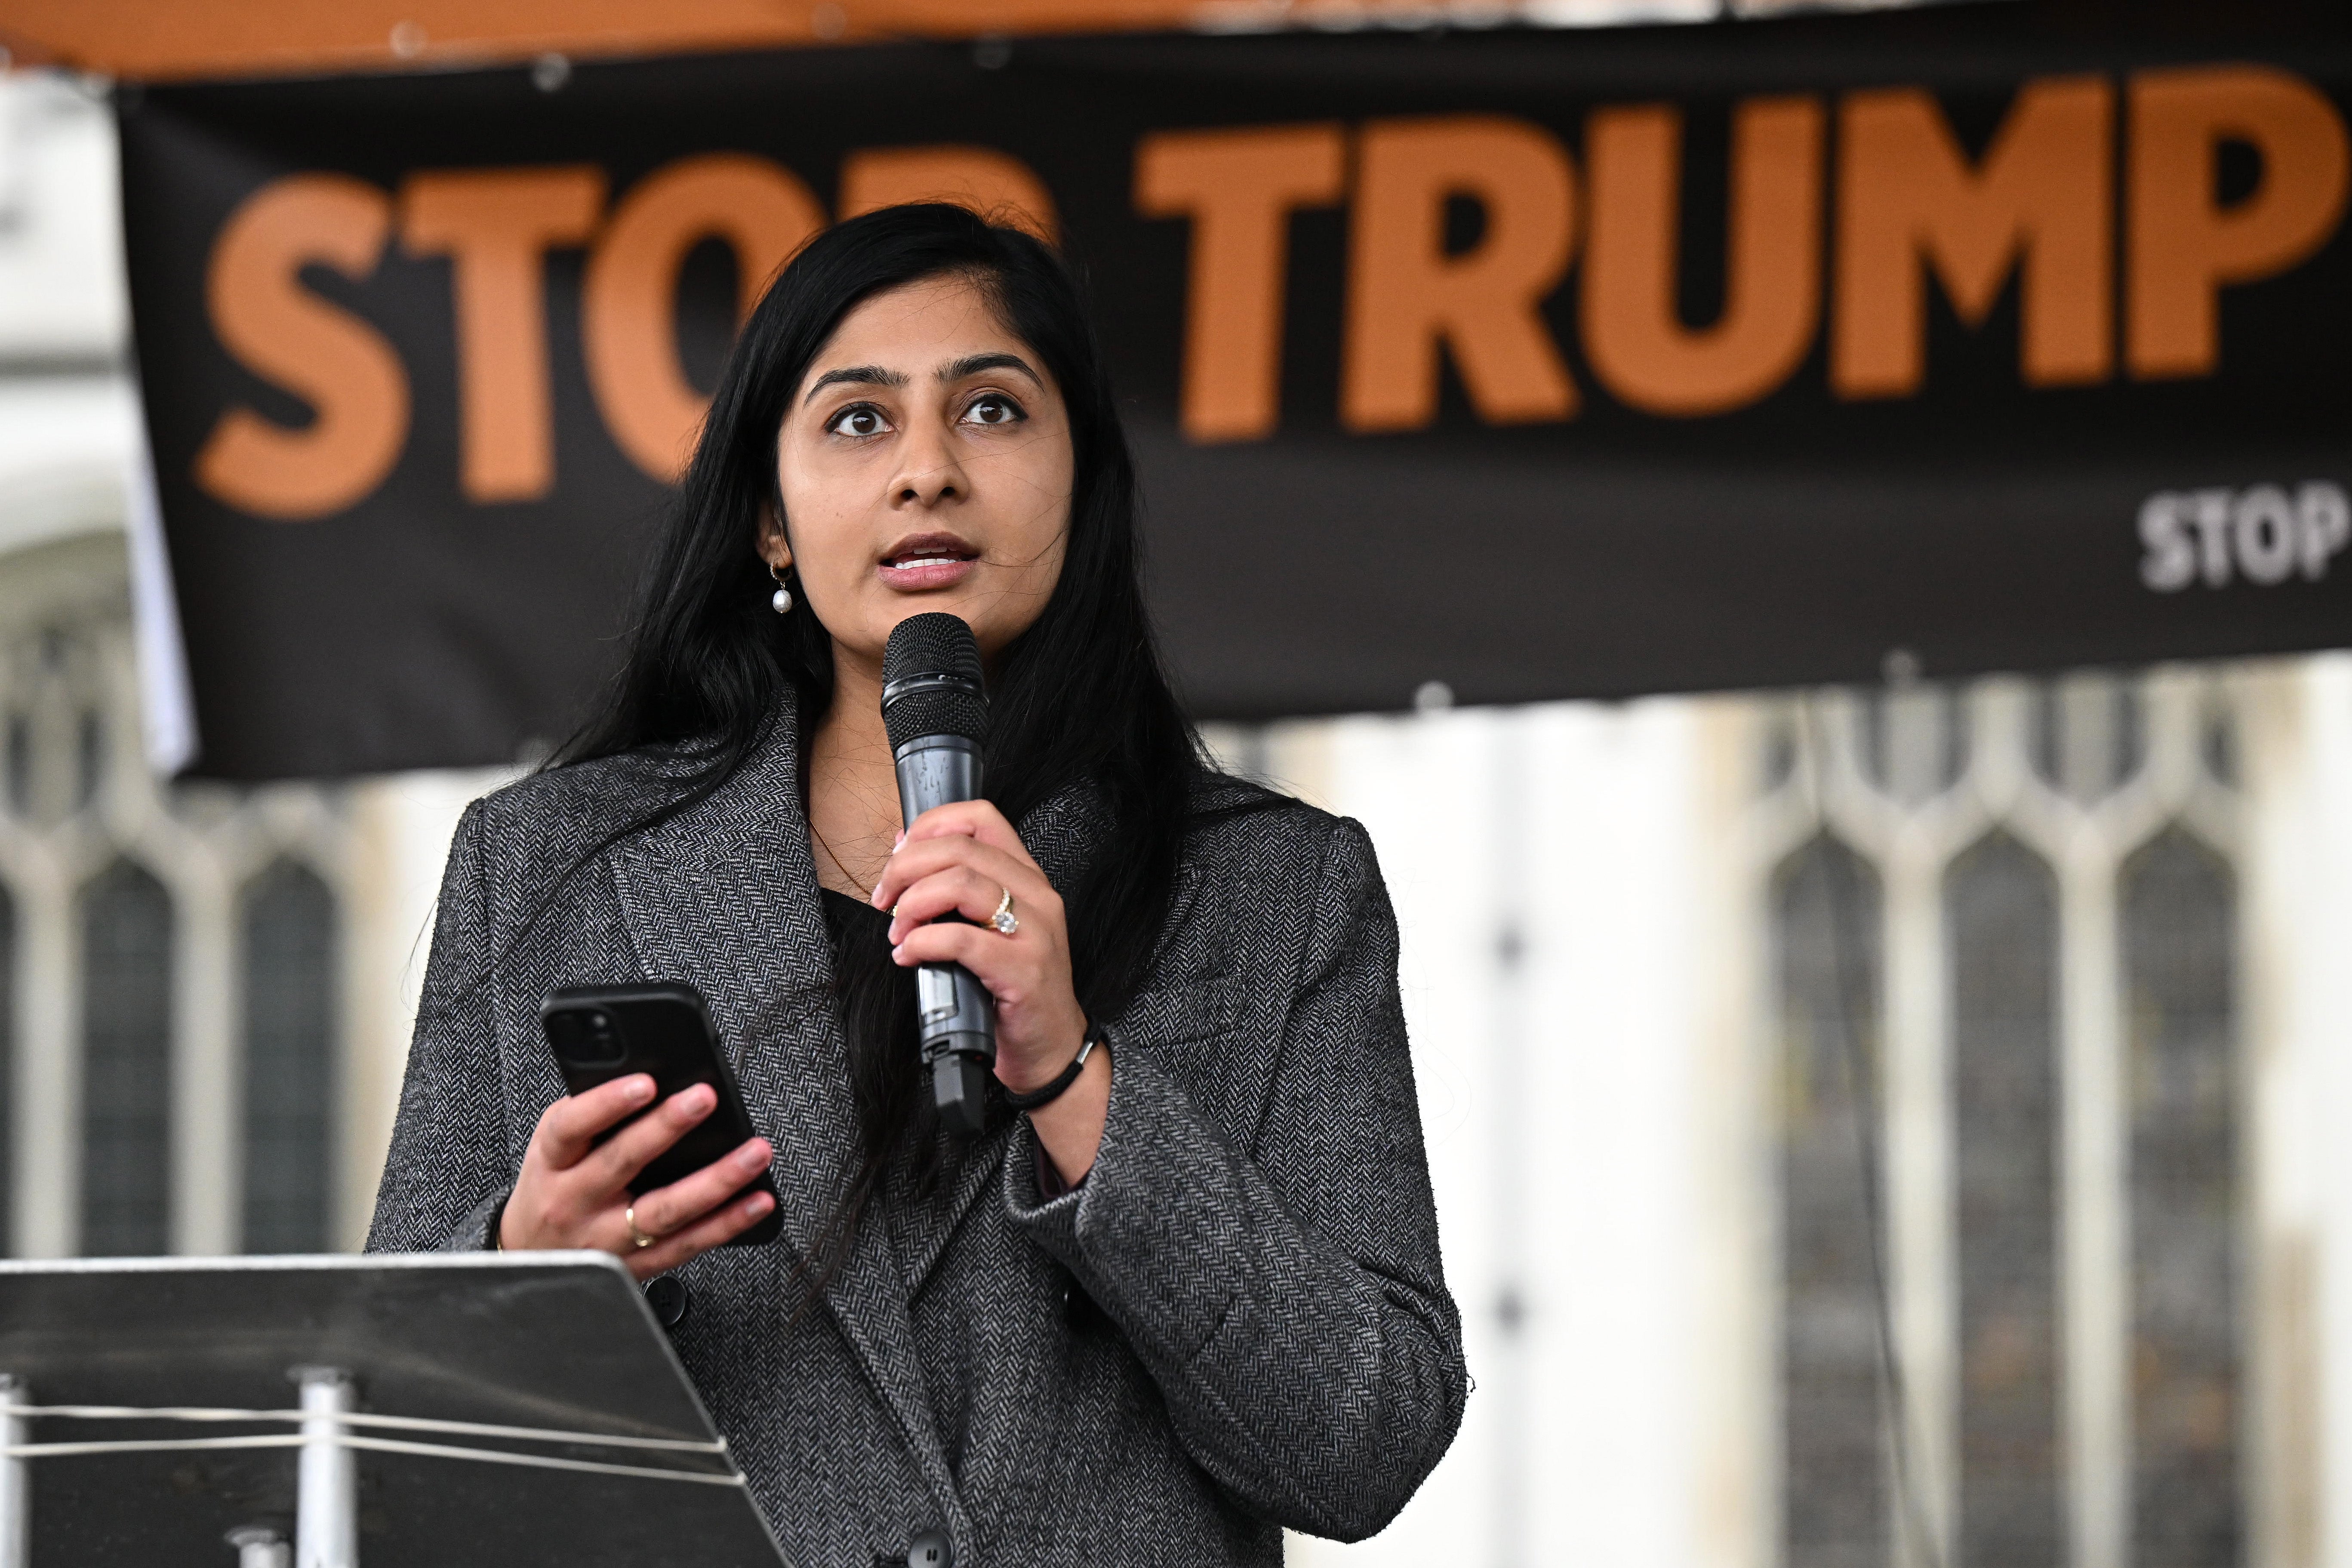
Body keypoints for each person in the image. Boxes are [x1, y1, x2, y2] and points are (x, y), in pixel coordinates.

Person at [366, 202, 1464, 1568]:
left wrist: (1076, 1078)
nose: (927, 472)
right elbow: (385, 1437)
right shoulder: (546, 867)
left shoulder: (1275, 893)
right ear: (770, 521)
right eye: (857, 421)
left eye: (993, 412)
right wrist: (529, 1263)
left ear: (1082, 478)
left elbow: (1366, 1444)